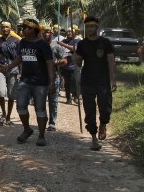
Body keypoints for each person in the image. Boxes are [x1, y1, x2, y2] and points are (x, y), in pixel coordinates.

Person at [4, 18, 56, 146]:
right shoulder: (22, 42)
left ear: (34, 30)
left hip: (40, 83)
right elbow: (20, 57)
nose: (24, 30)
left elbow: (50, 63)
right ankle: (27, 129)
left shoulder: (43, 44)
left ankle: (42, 135)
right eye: (23, 28)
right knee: (20, 107)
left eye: (27, 28)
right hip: (25, 81)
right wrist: (9, 67)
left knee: (40, 109)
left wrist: (52, 82)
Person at [74, 16, 117, 151]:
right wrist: (76, 57)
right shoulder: (82, 44)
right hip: (87, 81)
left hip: (103, 81)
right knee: (89, 110)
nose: (90, 29)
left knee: (105, 107)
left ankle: (103, 124)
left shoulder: (105, 42)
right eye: (88, 27)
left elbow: (111, 60)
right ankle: (94, 139)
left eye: (92, 27)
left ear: (97, 28)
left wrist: (113, 79)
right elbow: (79, 64)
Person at [0, 21, 19, 125]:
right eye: (3, 27)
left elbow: (19, 57)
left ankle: (8, 116)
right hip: (1, 70)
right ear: (0, 28)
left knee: (11, 95)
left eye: (7, 27)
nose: (5, 29)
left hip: (13, 69)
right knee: (0, 91)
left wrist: (20, 71)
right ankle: (3, 113)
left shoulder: (16, 41)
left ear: (10, 28)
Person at [43, 25, 66, 131]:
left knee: (53, 101)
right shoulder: (39, 45)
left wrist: (55, 63)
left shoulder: (57, 45)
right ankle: (42, 120)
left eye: (48, 32)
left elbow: (65, 60)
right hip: (41, 78)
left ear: (52, 33)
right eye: (44, 32)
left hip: (54, 77)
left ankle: (52, 122)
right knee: (41, 101)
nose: (46, 34)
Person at [56, 28, 81, 104]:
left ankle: (76, 97)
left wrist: (62, 44)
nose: (69, 33)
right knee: (67, 82)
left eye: (71, 32)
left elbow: (74, 49)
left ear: (74, 33)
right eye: (68, 31)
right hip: (66, 65)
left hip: (75, 64)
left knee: (76, 80)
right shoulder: (63, 41)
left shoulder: (77, 41)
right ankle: (68, 98)